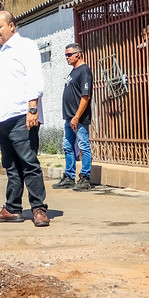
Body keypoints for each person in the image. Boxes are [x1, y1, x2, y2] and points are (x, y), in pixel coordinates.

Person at [0, 11, 50, 227]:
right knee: (11, 166)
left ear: (12, 26)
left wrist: (32, 109)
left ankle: (39, 209)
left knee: (29, 163)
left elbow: (34, 78)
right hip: (4, 119)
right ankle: (12, 209)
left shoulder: (25, 46)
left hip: (22, 117)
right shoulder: (0, 54)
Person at [53, 43, 94, 191]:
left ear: (78, 54)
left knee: (83, 145)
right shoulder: (73, 72)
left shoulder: (84, 71)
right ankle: (69, 176)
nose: (67, 58)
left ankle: (85, 178)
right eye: (65, 55)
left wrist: (77, 116)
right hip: (69, 117)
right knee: (68, 146)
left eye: (69, 55)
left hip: (79, 118)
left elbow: (85, 96)